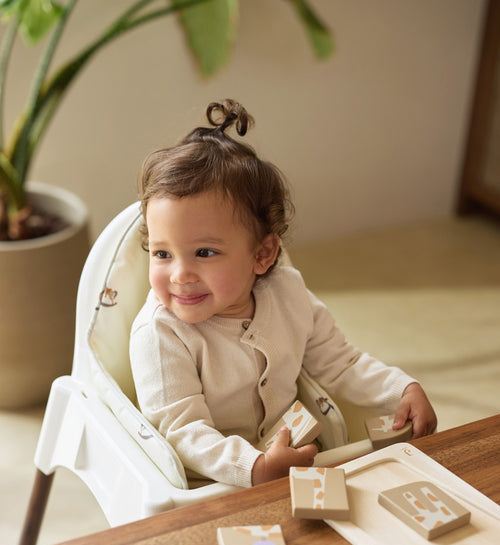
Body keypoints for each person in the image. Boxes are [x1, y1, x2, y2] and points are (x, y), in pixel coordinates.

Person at [130, 99, 437, 489]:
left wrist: (401, 390)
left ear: (262, 254)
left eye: (204, 253)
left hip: (292, 454)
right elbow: (181, 430)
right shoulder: (161, 333)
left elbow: (341, 363)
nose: (179, 275)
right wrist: (254, 467)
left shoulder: (288, 292)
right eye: (162, 254)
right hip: (206, 482)